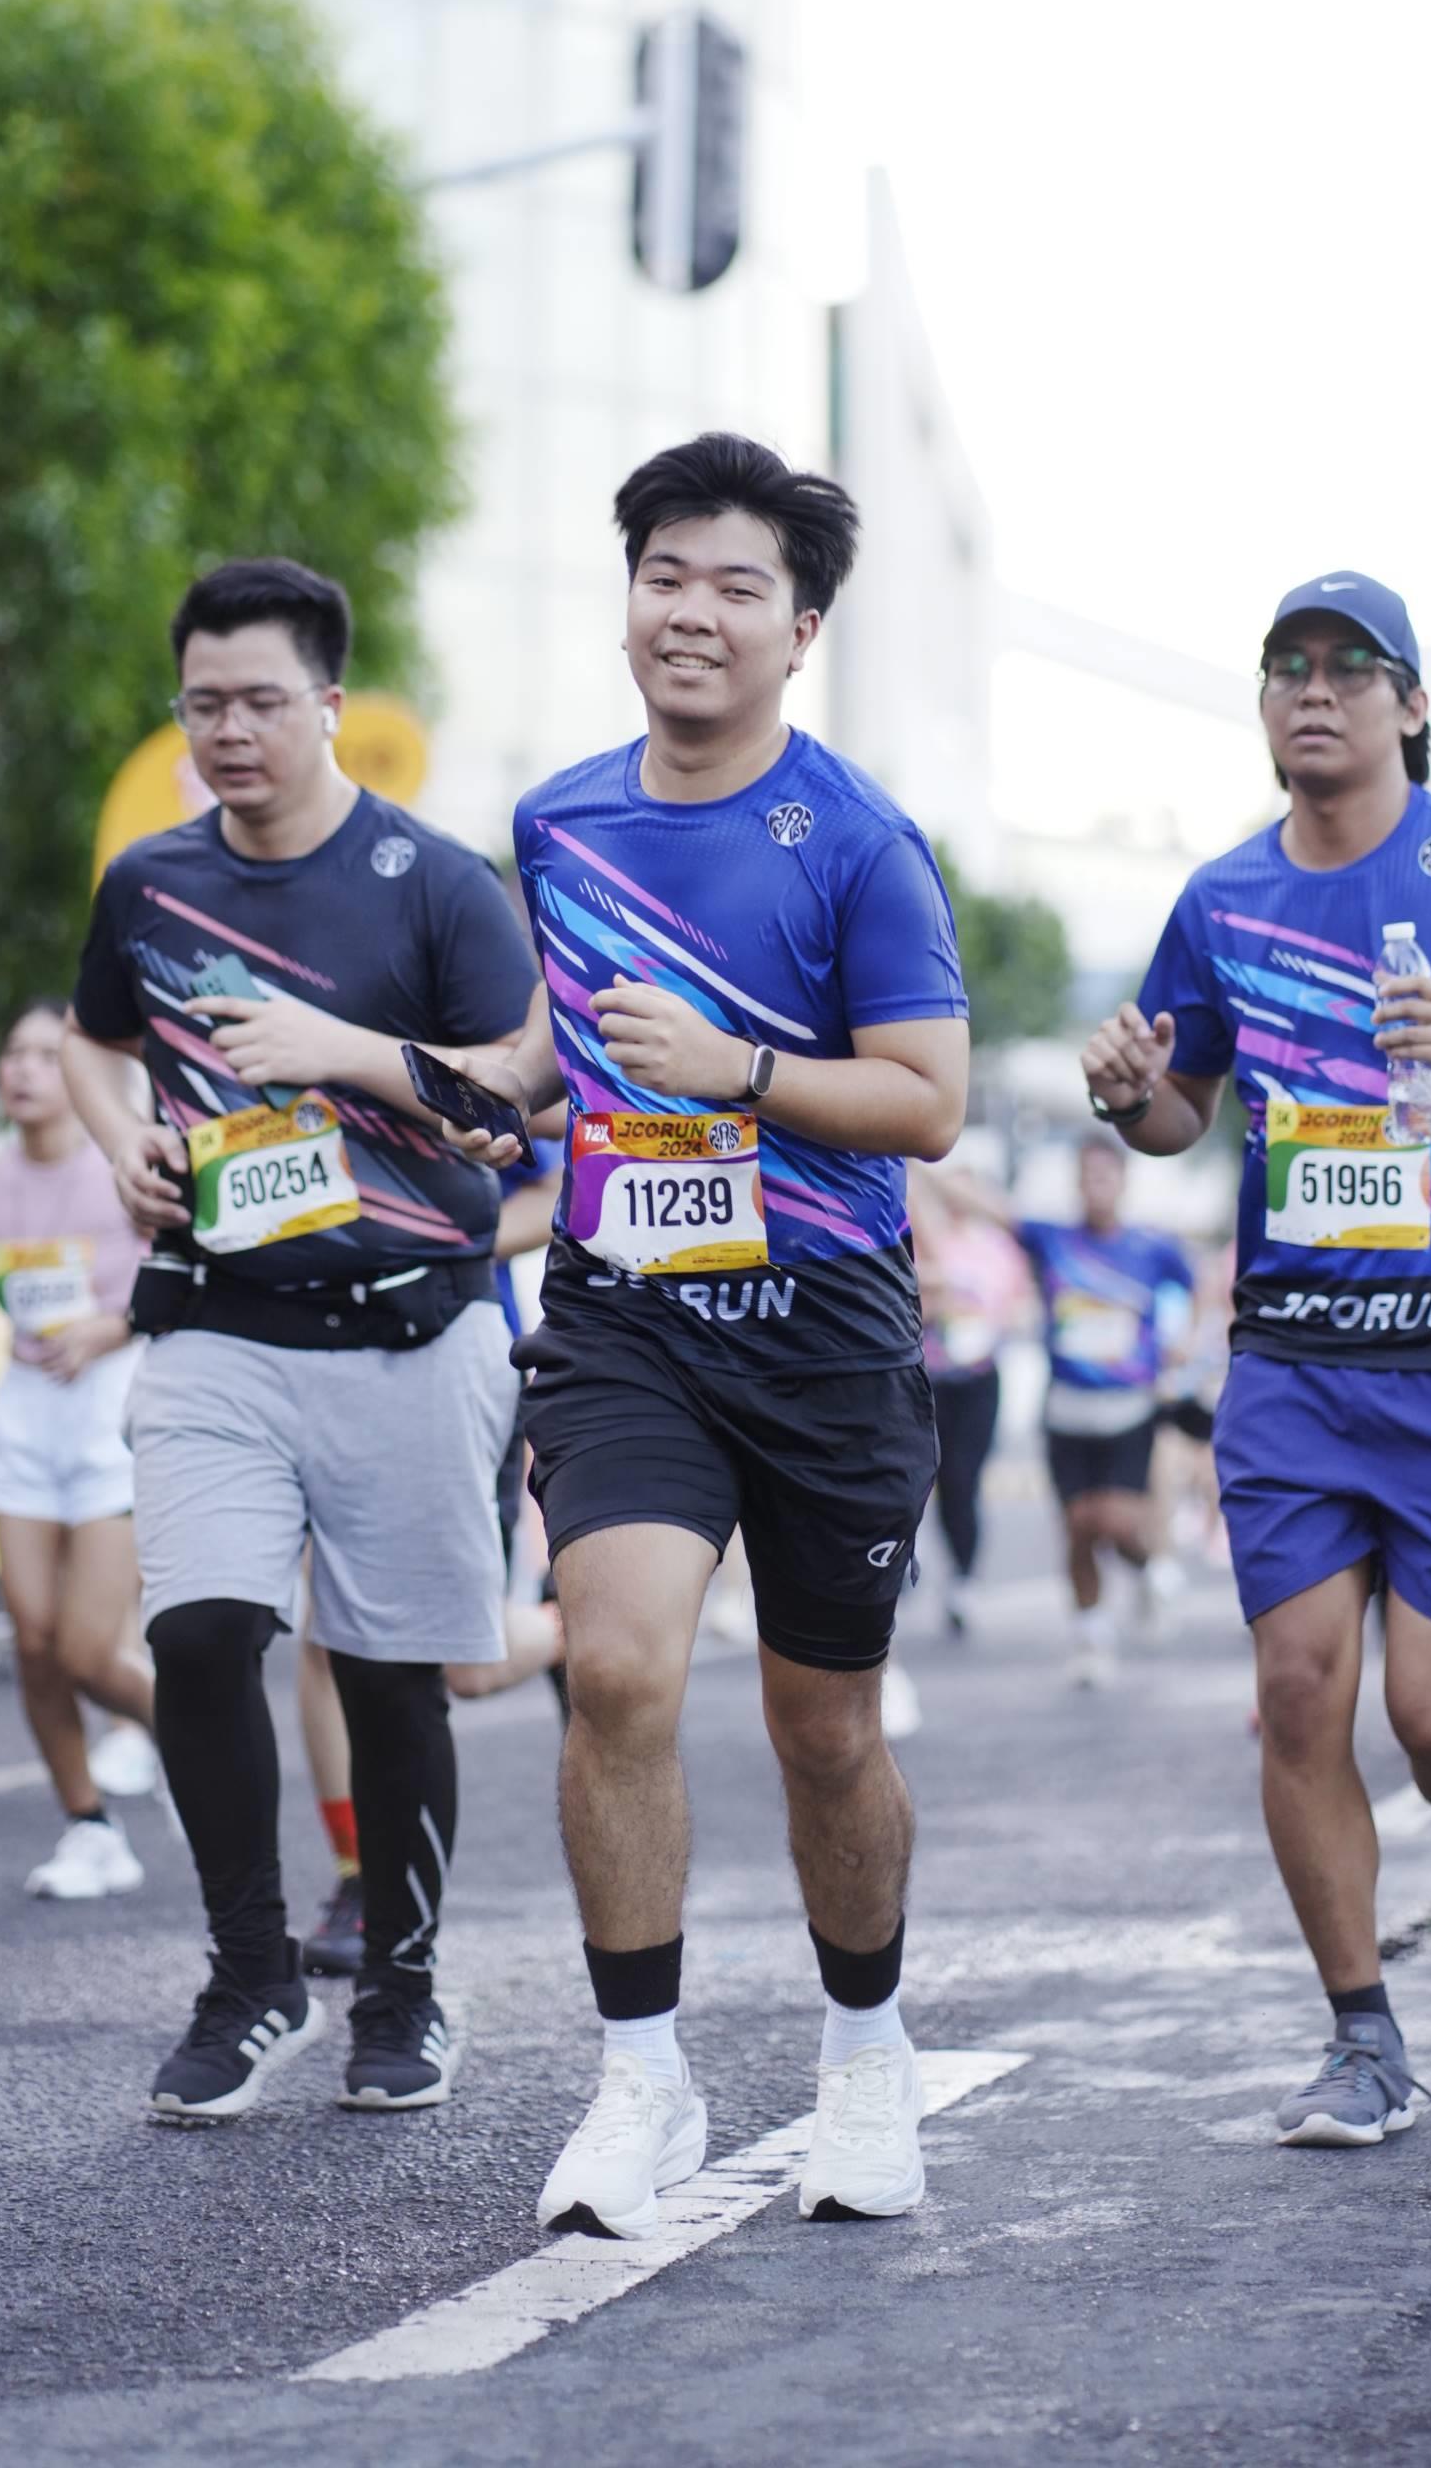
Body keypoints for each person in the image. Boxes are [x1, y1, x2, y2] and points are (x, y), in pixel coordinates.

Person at [445, 433, 970, 2239]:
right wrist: (496, 1093)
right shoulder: (561, 822)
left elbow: (929, 1100)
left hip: (824, 1333)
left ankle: (866, 2048)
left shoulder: (862, 842)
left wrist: (739, 1068)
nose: (691, 610)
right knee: (615, 1672)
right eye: (664, 574)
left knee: (823, 1729)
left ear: (799, 630)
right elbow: (559, 1039)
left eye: (736, 585)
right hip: (628, 1319)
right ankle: (640, 2081)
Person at [1082, 571, 1431, 2147]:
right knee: (1295, 1692)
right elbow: (1181, 1111)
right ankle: (1363, 2038)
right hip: (1299, 1355)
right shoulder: (1221, 899)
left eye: (1349, 666)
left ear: (1410, 705)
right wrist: (1129, 1093)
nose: (1313, 689)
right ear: (1266, 705)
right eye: (1287, 667)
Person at [61, 556, 541, 2122]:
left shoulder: (437, 882)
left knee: (392, 1679)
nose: (231, 732)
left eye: (262, 702)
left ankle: (401, 1989)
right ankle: (251, 1975)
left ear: (330, 703)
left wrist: (349, 1051)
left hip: (409, 1332)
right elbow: (92, 1039)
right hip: (218, 1325)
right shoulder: (148, 882)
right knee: (200, 1636)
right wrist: (122, 1140)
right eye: (204, 705)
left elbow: (516, 1095)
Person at [300, 1132, 570, 1980]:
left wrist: (432, 1238)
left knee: (459, 1666)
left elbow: (559, 1187)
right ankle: (360, 1880)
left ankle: (569, 1626)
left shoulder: (448, 1059)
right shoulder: (270, 1069)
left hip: (448, 1351)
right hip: (307, 1357)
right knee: (327, 1632)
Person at [0, 1002, 154, 1900]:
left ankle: (205, 1750)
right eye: (11, 1054)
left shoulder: (124, 1165)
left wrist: (114, 1325)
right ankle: (89, 1825)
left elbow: (181, 1273)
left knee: (90, 1651)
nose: (21, 1069)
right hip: (25, 1408)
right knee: (32, 1641)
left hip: (112, 1402)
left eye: (44, 1055)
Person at [1014, 1134, 1196, 1680]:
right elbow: (989, 1210)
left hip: (1128, 1408)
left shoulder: (1152, 1249)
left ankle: (1151, 1566)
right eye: (1087, 1176)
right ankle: (1090, 1637)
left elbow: (1197, 1287)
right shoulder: (1052, 1239)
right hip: (1066, 1408)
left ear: (1121, 1182)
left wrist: (1183, 1340)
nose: (1096, 1186)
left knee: (1114, 1521)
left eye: (1105, 1175)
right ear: (1077, 1183)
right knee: (1077, 1527)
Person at [907, 1163, 1033, 1639]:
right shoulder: (923, 1238)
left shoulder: (998, 1248)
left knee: (963, 1480)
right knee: (916, 1475)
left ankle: (963, 1578)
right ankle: (902, 1558)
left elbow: (1020, 1306)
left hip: (979, 1378)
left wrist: (995, 1322)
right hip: (928, 1376)